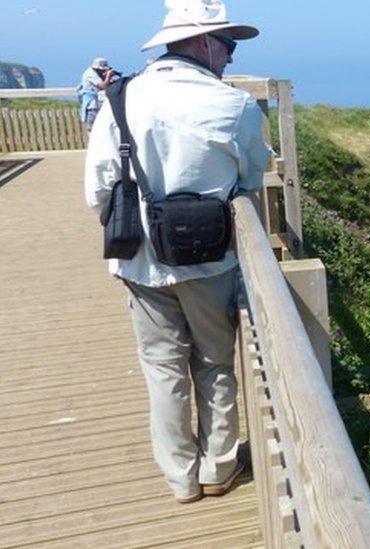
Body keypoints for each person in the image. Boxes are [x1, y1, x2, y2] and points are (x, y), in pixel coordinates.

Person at [83, 0, 269, 504]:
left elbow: (97, 191)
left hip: (140, 260)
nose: (230, 57)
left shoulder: (119, 99)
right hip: (211, 260)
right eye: (227, 45)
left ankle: (180, 480)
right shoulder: (235, 107)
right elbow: (250, 179)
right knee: (215, 364)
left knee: (163, 370)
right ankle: (218, 468)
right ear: (204, 43)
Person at [77, 57, 119, 131]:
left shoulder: (96, 74)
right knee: (92, 129)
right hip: (92, 106)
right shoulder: (90, 74)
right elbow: (103, 86)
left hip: (97, 104)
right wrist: (108, 76)